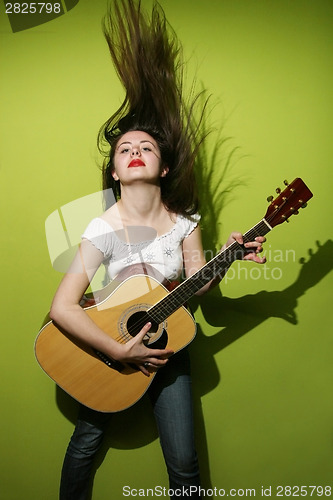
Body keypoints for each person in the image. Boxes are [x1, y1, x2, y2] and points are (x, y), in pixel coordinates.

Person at [49, 1, 266, 499]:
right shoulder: (102, 226)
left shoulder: (185, 224)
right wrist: (116, 348)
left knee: (185, 466)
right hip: (107, 352)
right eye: (125, 150)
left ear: (163, 168)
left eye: (145, 146)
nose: (135, 152)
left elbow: (198, 288)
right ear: (115, 172)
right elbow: (62, 307)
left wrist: (227, 261)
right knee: (85, 445)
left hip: (169, 350)